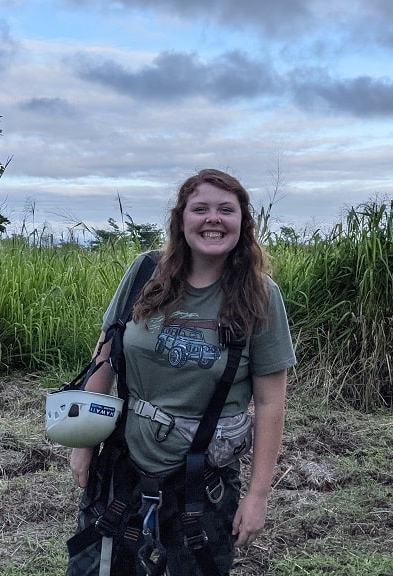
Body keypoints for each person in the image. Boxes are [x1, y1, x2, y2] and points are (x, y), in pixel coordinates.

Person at [66, 168, 297, 576]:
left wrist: (258, 495)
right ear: (181, 218)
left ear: (242, 222)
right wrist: (83, 444)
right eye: (200, 208)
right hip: (123, 464)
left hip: (203, 479)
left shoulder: (261, 296)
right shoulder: (144, 273)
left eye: (226, 209)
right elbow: (105, 357)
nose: (213, 219)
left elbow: (270, 401)